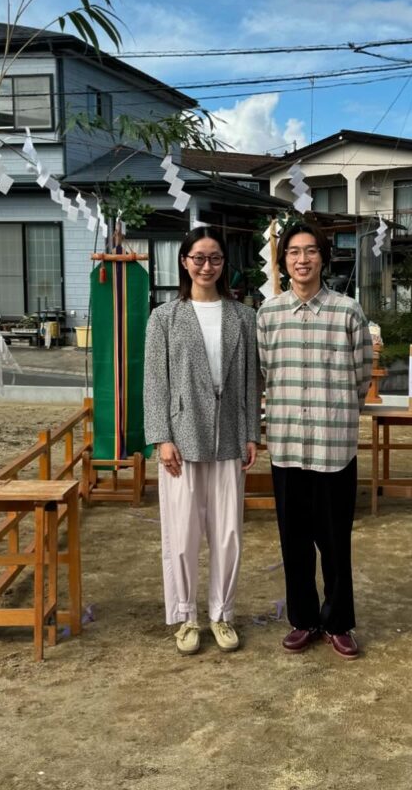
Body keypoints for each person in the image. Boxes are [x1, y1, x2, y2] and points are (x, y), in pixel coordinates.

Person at [256, 221, 373, 659]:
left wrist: (337, 411)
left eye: (310, 251)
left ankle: (338, 622)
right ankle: (304, 620)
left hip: (333, 447)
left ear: (324, 258)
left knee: (335, 539)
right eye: (293, 252)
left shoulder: (348, 312)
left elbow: (360, 377)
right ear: (283, 260)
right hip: (287, 445)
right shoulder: (268, 315)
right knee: (294, 540)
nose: (302, 259)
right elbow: (266, 373)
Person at [144, 226, 260, 655]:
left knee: (228, 532)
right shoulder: (164, 317)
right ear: (184, 261)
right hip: (181, 437)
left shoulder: (243, 317)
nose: (206, 266)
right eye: (198, 257)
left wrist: (251, 433)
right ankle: (186, 615)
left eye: (214, 258)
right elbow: (155, 383)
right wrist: (161, 437)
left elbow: (250, 382)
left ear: (224, 264)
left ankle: (222, 613)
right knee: (182, 532)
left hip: (230, 435)